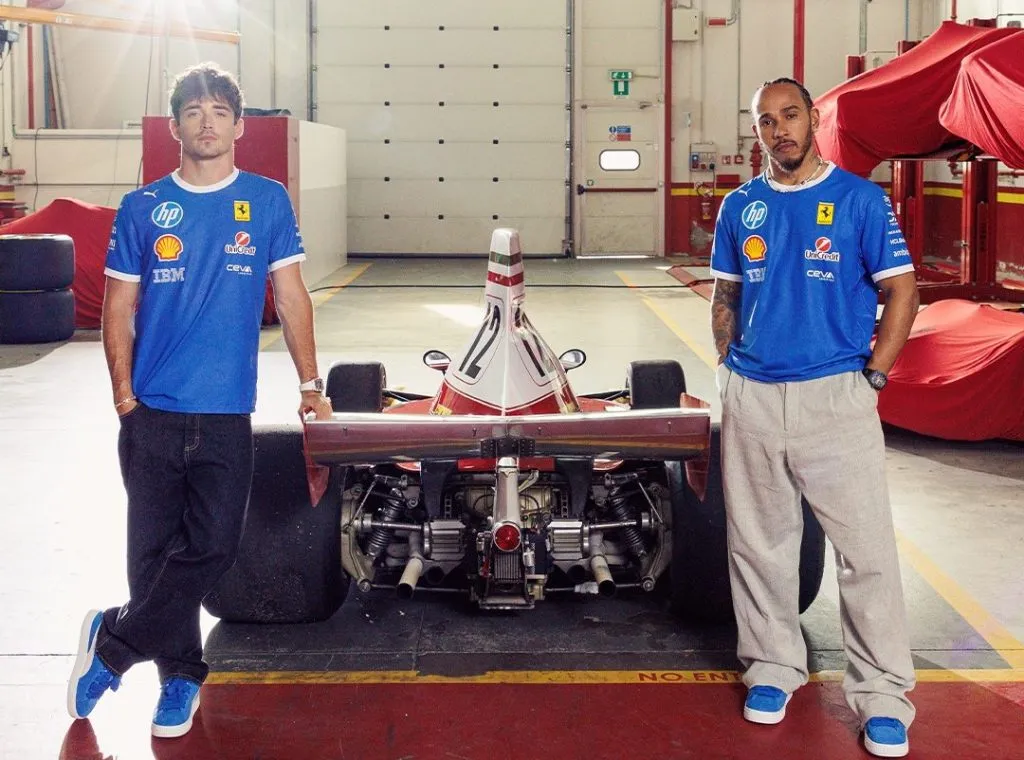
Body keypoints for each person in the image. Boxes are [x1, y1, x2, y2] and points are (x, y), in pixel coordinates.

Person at [67, 63, 334, 738]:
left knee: (213, 548)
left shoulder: (267, 201)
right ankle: (179, 676)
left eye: (219, 111)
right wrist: (123, 394)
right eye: (193, 112)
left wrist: (310, 385)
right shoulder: (143, 207)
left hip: (224, 412)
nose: (207, 122)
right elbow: (119, 306)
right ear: (176, 126)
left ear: (239, 126)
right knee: (153, 555)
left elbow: (292, 295)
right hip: (152, 412)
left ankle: (113, 643)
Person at [710, 78, 919, 758]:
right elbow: (725, 296)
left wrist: (875, 379)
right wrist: (729, 372)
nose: (780, 131)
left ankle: (883, 694)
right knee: (759, 545)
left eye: (790, 115)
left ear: (815, 117)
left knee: (867, 556)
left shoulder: (859, 200)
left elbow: (901, 291)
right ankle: (773, 667)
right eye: (766, 121)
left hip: (837, 396)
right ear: (758, 133)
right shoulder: (741, 208)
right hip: (755, 399)